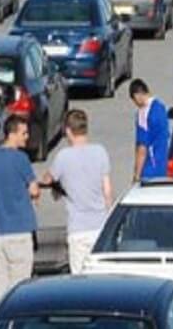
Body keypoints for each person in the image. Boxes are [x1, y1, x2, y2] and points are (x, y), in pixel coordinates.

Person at [39, 110, 113, 275]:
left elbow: (48, 179)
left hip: (78, 228)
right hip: (100, 225)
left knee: (79, 280)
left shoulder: (63, 157)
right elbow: (107, 191)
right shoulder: (100, 152)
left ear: (67, 131)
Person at [0, 115, 40, 306]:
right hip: (19, 231)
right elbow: (33, 189)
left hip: (0, 232)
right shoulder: (21, 159)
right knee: (20, 290)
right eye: (23, 133)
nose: (26, 137)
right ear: (12, 134)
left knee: (0, 289)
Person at [130, 79, 169, 183]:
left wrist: (136, 175)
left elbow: (142, 148)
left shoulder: (143, 113)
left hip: (149, 169)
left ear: (137, 95)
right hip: (163, 167)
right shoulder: (161, 107)